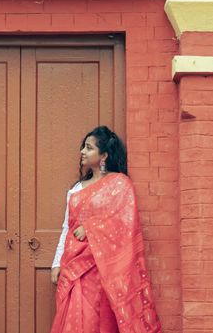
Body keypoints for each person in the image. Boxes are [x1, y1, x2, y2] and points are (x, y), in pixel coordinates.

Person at [50, 126, 162, 333]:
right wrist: (57, 262)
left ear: (104, 155)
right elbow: (67, 227)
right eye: (83, 147)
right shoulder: (75, 190)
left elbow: (125, 224)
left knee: (97, 322)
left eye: (89, 148)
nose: (83, 151)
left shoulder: (120, 184)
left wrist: (90, 228)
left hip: (102, 270)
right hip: (74, 266)